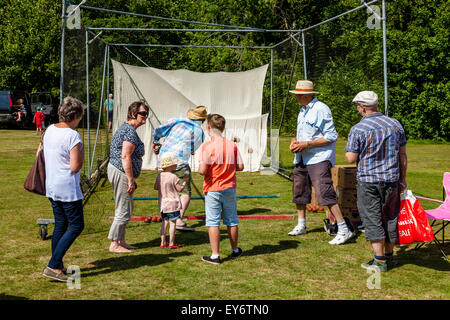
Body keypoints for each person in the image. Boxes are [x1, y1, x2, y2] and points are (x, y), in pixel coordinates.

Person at [345, 91, 407, 272]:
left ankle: (379, 261)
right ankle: (389, 256)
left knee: (373, 219)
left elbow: (350, 158)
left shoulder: (358, 129)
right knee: (390, 217)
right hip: (392, 179)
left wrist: (348, 151)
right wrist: (402, 179)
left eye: (358, 107)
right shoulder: (395, 124)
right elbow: (402, 155)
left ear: (362, 108)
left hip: (369, 181)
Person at [288, 80, 354, 245]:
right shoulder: (302, 111)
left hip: (319, 158)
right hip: (302, 157)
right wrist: (294, 142)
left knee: (325, 193)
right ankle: (301, 225)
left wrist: (307, 144)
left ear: (307, 95)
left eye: (299, 95)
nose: (297, 98)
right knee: (299, 192)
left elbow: (331, 136)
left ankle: (343, 229)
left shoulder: (321, 109)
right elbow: (300, 134)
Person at [42, 96, 85, 282]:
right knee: (76, 225)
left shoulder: (49, 129)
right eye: (80, 116)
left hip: (52, 185)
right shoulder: (73, 135)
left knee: (60, 224)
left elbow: (41, 151)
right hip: (67, 187)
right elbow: (75, 166)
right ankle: (53, 264)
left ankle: (57, 267)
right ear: (75, 115)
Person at [152, 105, 208, 232]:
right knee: (185, 192)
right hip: (180, 162)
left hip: (164, 160)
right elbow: (192, 149)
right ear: (203, 120)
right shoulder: (200, 133)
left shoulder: (177, 120)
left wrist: (155, 142)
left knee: (166, 190)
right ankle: (178, 219)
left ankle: (166, 216)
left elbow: (158, 130)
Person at [198, 114, 244, 264]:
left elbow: (202, 170)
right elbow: (240, 166)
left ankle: (215, 255)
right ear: (223, 128)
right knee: (231, 220)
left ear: (209, 128)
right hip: (230, 187)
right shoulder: (232, 145)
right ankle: (235, 250)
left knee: (213, 221)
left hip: (213, 188)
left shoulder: (207, 147)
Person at [108, 101, 148, 253]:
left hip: (119, 171)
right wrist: (131, 179)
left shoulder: (128, 129)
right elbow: (125, 156)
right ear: (133, 114)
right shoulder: (130, 131)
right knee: (123, 209)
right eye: (142, 113)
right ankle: (114, 244)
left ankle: (121, 240)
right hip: (121, 172)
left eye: (146, 114)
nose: (145, 117)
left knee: (126, 207)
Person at [154, 152, 188, 249]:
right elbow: (180, 189)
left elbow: (156, 187)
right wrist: (185, 182)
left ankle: (162, 242)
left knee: (164, 222)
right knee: (173, 223)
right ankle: (171, 243)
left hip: (163, 205)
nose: (177, 165)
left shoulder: (159, 176)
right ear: (171, 165)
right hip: (173, 204)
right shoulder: (174, 177)